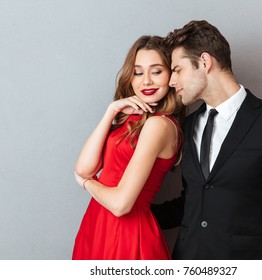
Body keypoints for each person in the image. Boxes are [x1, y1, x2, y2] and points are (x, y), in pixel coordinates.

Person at [151, 20, 262, 260]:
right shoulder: (187, 126)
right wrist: (133, 214)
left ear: (204, 62)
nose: (171, 81)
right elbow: (193, 201)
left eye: (178, 70)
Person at [72, 35, 185, 260]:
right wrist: (111, 112)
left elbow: (120, 205)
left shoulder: (159, 125)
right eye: (138, 72)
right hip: (97, 227)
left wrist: (85, 183)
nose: (147, 81)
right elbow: (84, 167)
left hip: (127, 233)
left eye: (156, 71)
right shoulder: (131, 119)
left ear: (170, 75)